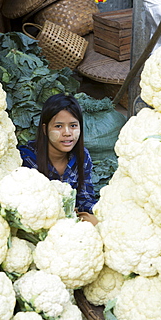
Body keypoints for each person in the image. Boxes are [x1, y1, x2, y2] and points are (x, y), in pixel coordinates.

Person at [18, 93, 98, 225]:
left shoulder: (82, 157)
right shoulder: (26, 159)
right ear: (45, 129)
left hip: (69, 219)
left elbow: (85, 198)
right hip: (37, 221)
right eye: (58, 126)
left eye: (73, 126)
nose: (67, 133)